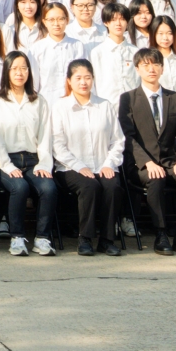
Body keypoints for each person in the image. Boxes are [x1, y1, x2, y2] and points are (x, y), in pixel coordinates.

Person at [120, 47, 176, 255]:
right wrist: (147, 162)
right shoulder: (128, 99)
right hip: (140, 165)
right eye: (146, 65)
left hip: (169, 161)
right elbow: (128, 137)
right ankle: (161, 233)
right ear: (137, 69)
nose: (151, 69)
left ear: (162, 68)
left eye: (156, 64)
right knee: (155, 178)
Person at [51, 61, 123, 257]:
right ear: (69, 81)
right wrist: (79, 166)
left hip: (102, 165)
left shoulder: (104, 105)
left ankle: (107, 240)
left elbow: (118, 141)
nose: (83, 82)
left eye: (87, 78)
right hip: (70, 168)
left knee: (112, 186)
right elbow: (57, 145)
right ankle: (85, 238)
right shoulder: (60, 107)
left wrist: (109, 164)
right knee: (89, 186)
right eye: (78, 78)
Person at [0, 51, 56, 256]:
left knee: (48, 188)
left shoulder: (39, 101)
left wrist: (44, 164)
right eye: (15, 68)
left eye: (24, 68)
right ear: (7, 71)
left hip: (34, 160)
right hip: (6, 160)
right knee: (19, 187)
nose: (19, 73)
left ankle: (42, 239)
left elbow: (45, 136)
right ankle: (17, 238)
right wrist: (7, 165)